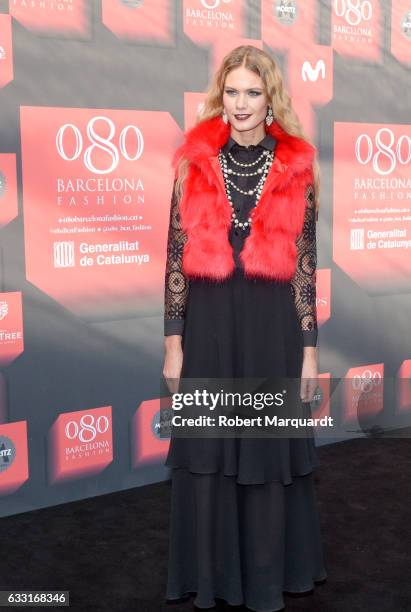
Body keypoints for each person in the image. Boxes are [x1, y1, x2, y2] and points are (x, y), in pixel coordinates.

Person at [162, 45, 327, 612]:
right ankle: (210, 577)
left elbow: (305, 269)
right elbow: (175, 258)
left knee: (265, 451)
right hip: (207, 326)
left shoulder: (296, 166)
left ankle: (265, 576)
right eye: (231, 92)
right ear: (220, 96)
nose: (240, 103)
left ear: (270, 99)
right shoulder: (195, 163)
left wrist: (308, 351)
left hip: (270, 329)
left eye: (252, 93)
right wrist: (173, 343)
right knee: (209, 450)